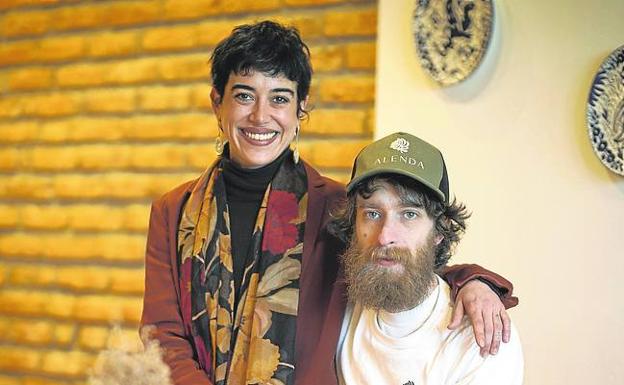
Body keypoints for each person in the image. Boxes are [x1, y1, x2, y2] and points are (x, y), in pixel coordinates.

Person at [140, 21, 518, 385]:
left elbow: (400, 262)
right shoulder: (174, 211)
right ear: (217, 103)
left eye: (279, 98)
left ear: (300, 109)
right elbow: (163, 334)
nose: (260, 115)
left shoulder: (335, 205)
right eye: (244, 95)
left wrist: (475, 282)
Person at [331, 132, 524, 385]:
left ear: (439, 230)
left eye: (409, 214)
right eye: (372, 214)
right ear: (353, 223)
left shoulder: (481, 339)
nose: (385, 236)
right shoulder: (337, 309)